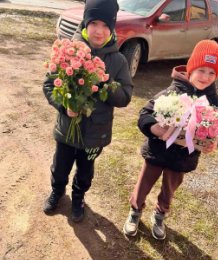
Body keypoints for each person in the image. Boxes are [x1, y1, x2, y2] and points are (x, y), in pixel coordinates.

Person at [123, 40, 218, 240]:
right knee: (144, 183)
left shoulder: (212, 100)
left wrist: (216, 141)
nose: (205, 77)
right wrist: (154, 128)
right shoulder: (174, 91)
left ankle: (160, 214)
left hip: (182, 159)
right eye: (201, 70)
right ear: (191, 68)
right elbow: (145, 114)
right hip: (157, 152)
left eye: (211, 73)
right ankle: (135, 210)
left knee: (169, 189)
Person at [43, 0, 133, 222]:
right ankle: (57, 191)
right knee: (60, 165)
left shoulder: (118, 60)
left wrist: (103, 83)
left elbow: (125, 97)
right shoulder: (69, 53)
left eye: (105, 25)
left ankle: (78, 197)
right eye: (94, 23)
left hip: (96, 132)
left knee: (85, 170)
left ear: (111, 28)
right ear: (85, 23)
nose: (99, 31)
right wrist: (65, 107)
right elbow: (49, 85)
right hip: (67, 129)